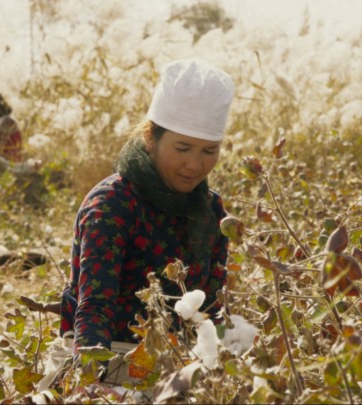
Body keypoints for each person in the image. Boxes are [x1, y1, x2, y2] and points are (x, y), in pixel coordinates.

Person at [59, 59, 234, 359]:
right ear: (151, 138)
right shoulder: (113, 203)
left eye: (209, 151)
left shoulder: (210, 209)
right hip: (114, 360)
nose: (195, 165)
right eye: (182, 148)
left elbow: (212, 307)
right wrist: (90, 383)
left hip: (183, 362)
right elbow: (95, 308)